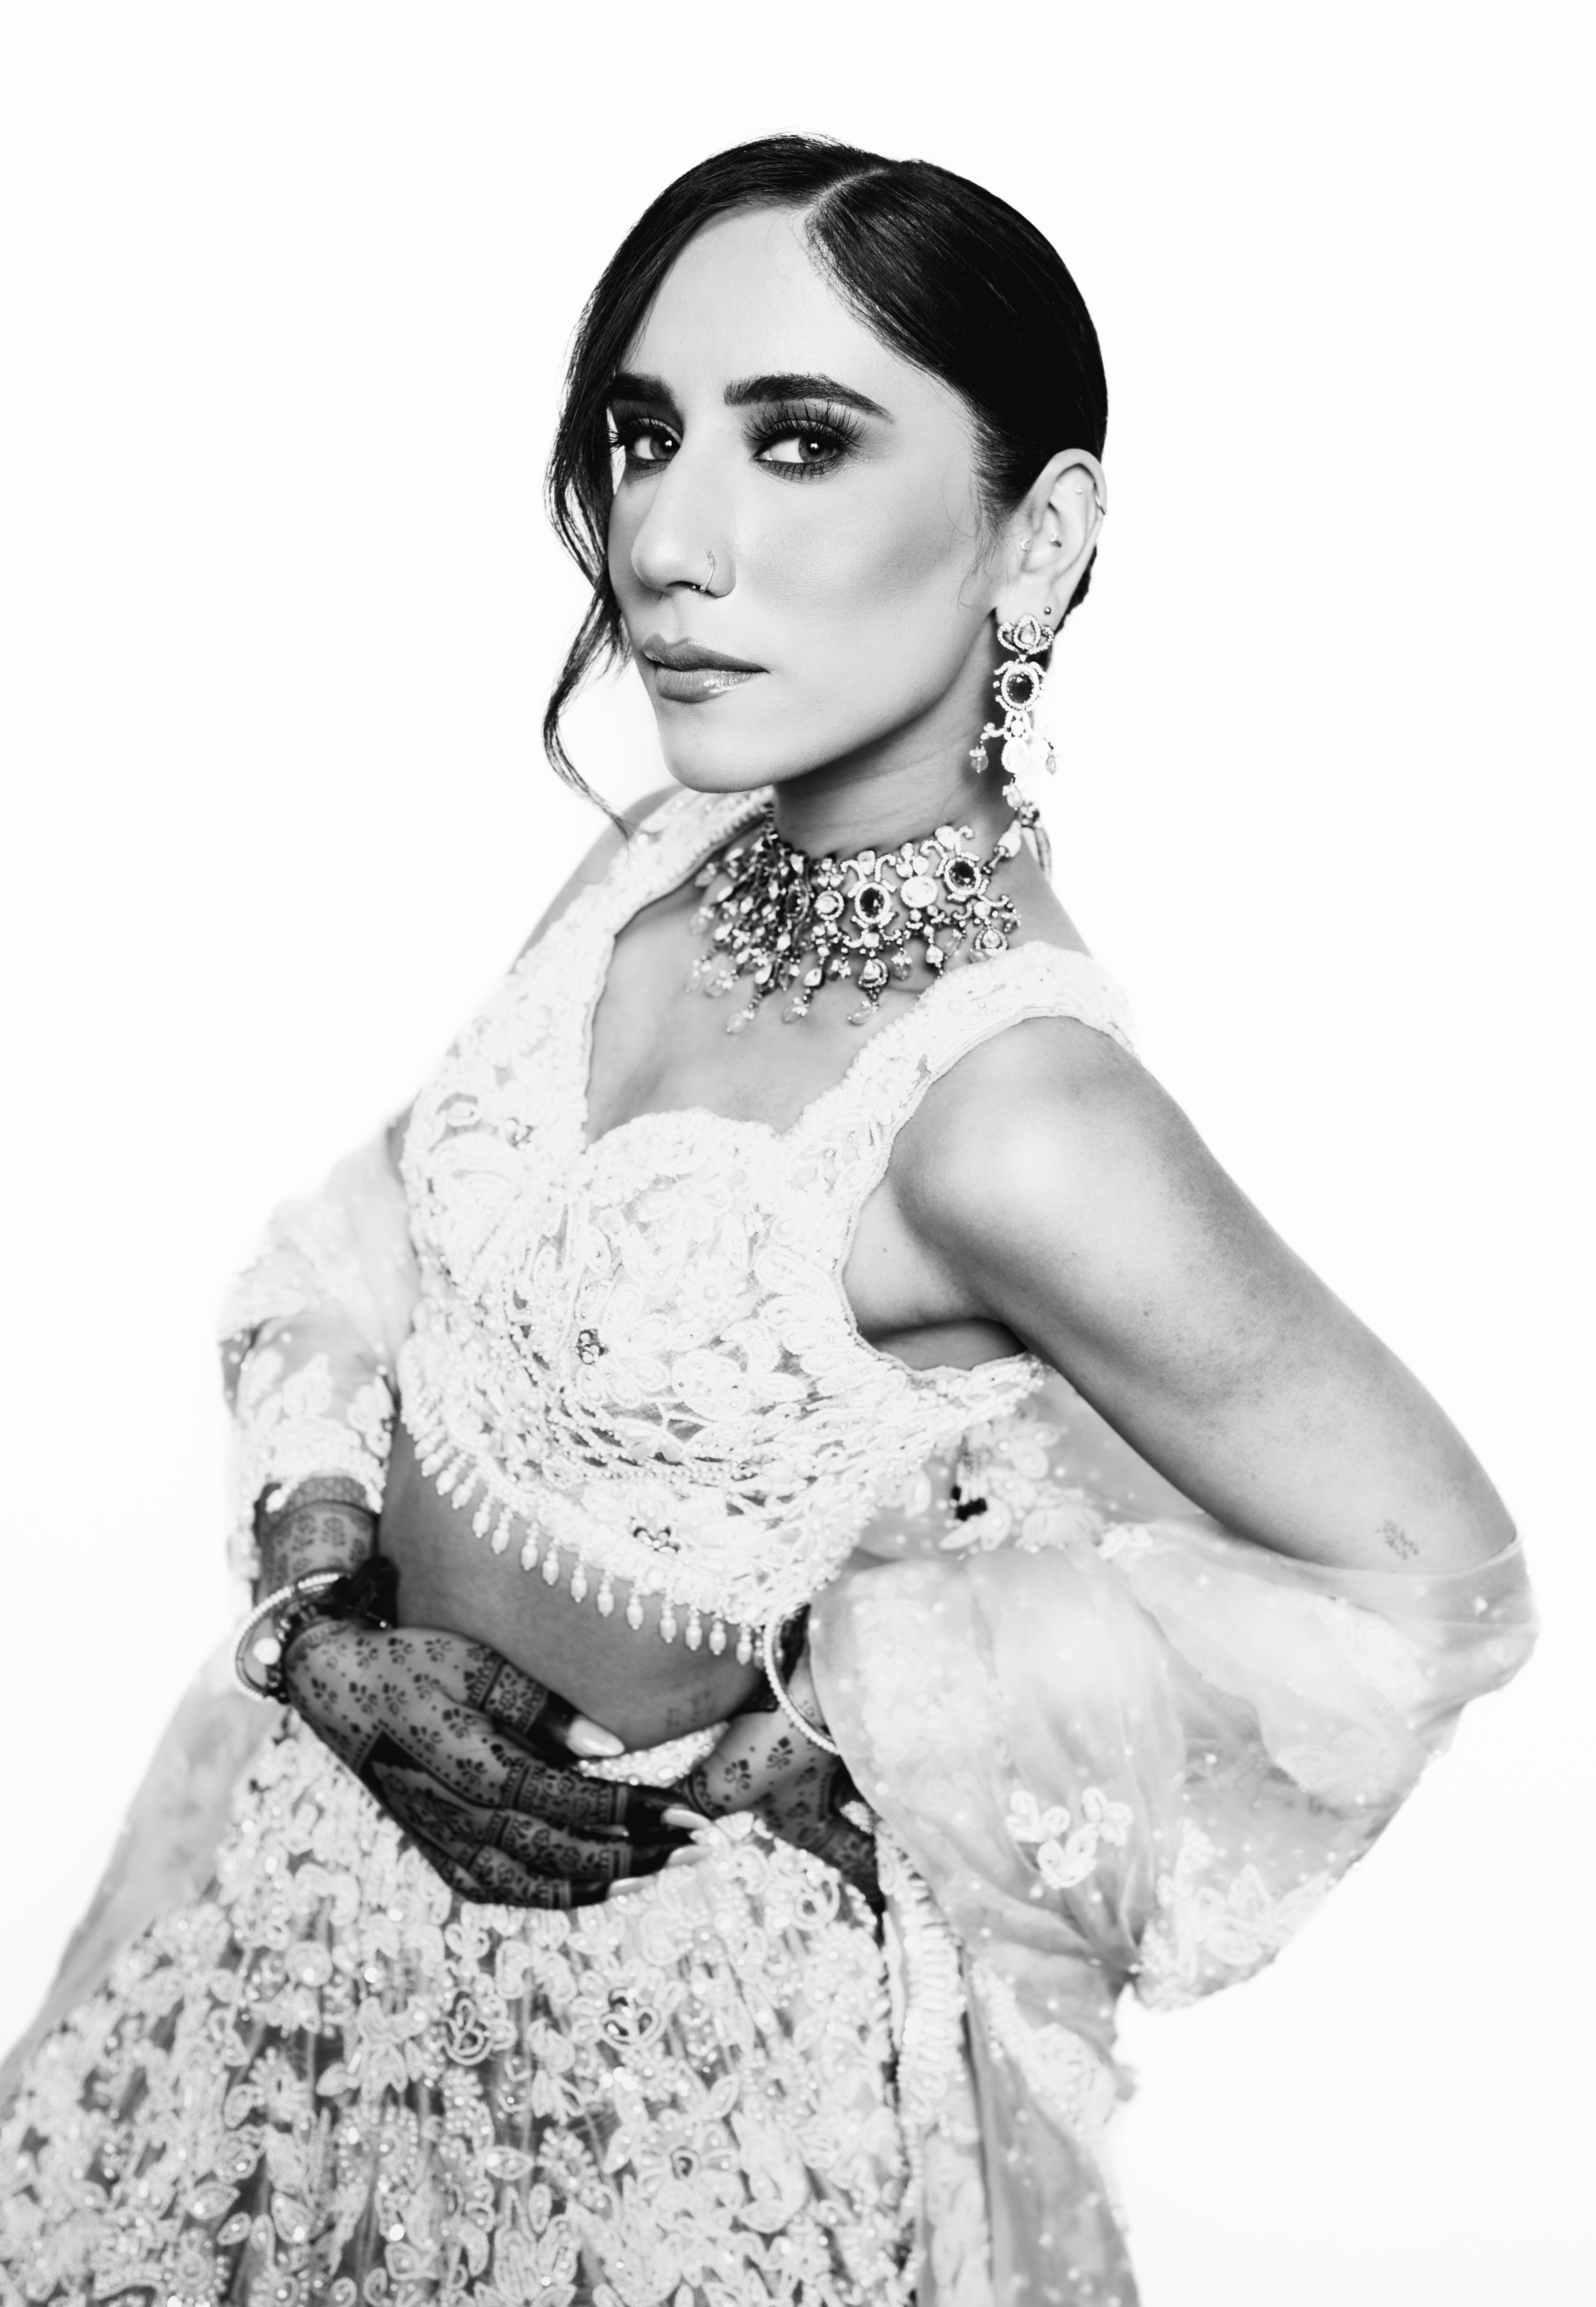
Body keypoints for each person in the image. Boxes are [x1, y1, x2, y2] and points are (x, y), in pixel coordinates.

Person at [0, 135, 1537, 2307]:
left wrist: (837, 1716)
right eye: (645, 436)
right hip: (290, 1910)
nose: (664, 540)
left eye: (798, 441)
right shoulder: (658, 855)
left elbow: (1430, 1594)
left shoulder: (1014, 1116)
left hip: (643, 2086)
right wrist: (324, 1607)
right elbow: (363, 1248)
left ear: (1040, 536)